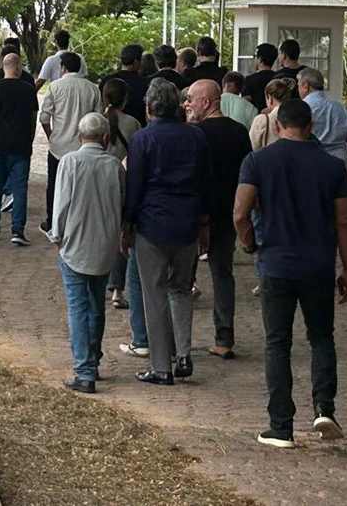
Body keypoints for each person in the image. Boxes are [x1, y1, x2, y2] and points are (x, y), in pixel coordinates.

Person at [235, 98, 347, 448]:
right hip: (317, 265)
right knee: (321, 337)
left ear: (276, 125)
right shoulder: (332, 167)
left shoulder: (257, 161)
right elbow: (345, 221)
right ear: (311, 126)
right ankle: (325, 408)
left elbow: (240, 213)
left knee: (277, 343)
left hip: (275, 263)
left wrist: (251, 246)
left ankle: (281, 424)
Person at [123, 78, 212, 385]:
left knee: (155, 293)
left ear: (148, 108)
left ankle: (161, 366)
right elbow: (205, 183)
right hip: (187, 221)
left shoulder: (142, 140)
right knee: (181, 289)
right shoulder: (196, 137)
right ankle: (184, 353)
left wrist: (127, 224)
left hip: (152, 223)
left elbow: (134, 187)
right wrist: (204, 223)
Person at [50, 113, 125, 394]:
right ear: (106, 138)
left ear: (79, 137)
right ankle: (92, 362)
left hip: (75, 245)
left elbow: (61, 204)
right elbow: (121, 203)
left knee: (78, 307)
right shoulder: (114, 165)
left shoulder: (70, 162)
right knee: (96, 305)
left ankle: (84, 370)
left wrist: (56, 235)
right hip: (105, 245)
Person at [187, 79, 253, 359]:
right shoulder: (239, 132)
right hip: (228, 212)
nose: (188, 104)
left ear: (207, 101)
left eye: (191, 98)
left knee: (181, 279)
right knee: (223, 274)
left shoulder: (196, 134)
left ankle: (178, 341)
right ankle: (224, 337)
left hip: (196, 214)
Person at [0, 52, 38, 244]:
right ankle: (18, 230)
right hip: (21, 146)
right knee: (20, 189)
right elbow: (33, 118)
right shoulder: (29, 90)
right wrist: (30, 139)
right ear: (19, 68)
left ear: (3, 68)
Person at [39, 51, 101, 237]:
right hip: (84, 146)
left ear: (62, 67)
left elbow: (44, 117)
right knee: (82, 187)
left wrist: (51, 135)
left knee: (54, 185)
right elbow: (98, 117)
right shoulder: (92, 89)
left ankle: (52, 223)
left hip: (58, 146)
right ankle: (79, 224)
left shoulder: (55, 87)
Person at [101, 78, 140, 309]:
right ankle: (117, 288)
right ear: (125, 100)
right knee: (122, 235)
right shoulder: (133, 123)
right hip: (123, 183)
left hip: (98, 184)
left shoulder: (96, 121)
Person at [298, 67, 347, 177]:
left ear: (305, 85)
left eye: (298, 85)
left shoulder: (302, 108)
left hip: (311, 162)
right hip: (340, 162)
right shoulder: (341, 107)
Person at [249, 77, 298, 151]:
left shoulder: (262, 120)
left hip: (268, 160)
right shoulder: (297, 117)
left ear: (269, 97)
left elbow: (252, 147)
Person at [106, 44, 149, 126]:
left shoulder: (108, 80)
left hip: (110, 126)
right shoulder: (144, 83)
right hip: (137, 126)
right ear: (136, 62)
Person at [243, 43, 279, 111]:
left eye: (255, 56)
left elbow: (244, 101)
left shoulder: (250, 80)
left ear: (260, 59)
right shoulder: (278, 79)